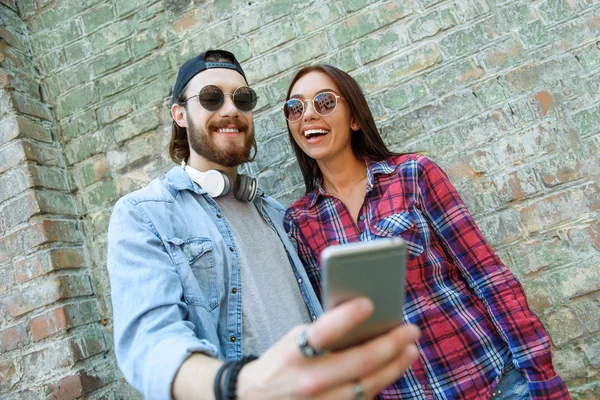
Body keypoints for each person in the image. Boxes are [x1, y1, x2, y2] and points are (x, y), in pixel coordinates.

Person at [107, 50, 421, 400]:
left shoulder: (276, 214)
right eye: (211, 98)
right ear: (180, 114)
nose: (230, 110)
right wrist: (241, 384)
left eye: (243, 99)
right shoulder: (143, 214)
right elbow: (149, 346)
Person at [282, 64, 571, 400]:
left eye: (325, 102)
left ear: (354, 118)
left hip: (494, 384)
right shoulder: (299, 222)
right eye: (295, 108)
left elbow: (487, 275)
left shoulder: (413, 175)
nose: (308, 115)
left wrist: (541, 373)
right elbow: (336, 334)